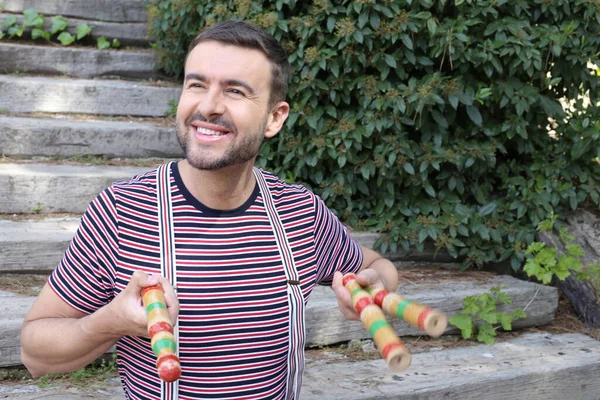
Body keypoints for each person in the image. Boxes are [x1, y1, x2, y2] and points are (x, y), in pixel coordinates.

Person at [20, 21, 398, 400]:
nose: (208, 106)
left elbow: (378, 267)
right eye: (197, 85)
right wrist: (109, 322)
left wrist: (376, 285)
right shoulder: (121, 211)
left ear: (274, 117)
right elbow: (34, 352)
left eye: (235, 91)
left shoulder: (301, 213)